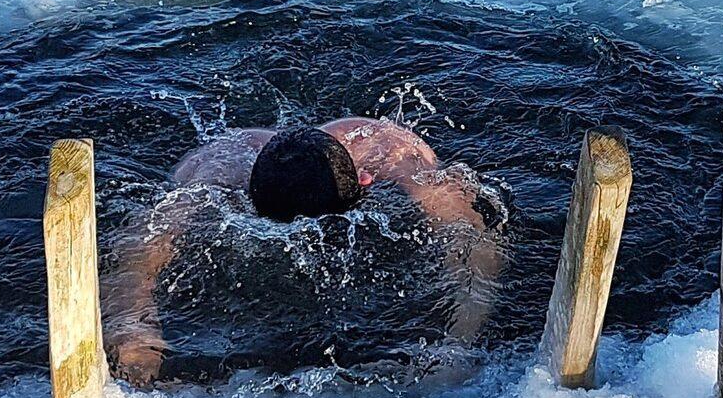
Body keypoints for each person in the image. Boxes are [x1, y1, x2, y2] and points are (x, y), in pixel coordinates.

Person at [106, 117, 500, 384]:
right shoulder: (217, 167)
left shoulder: (389, 150)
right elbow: (139, 251)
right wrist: (133, 335)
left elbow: (471, 238)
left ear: (366, 182)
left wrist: (460, 339)